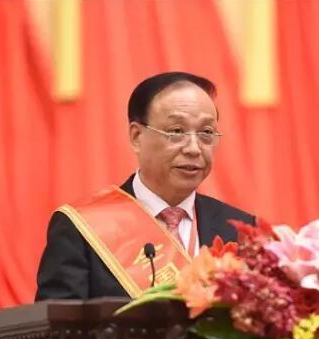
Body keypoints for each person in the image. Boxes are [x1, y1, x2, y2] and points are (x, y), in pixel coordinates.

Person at [36, 72, 255, 300]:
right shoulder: (81, 228)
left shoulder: (242, 230)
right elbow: (58, 320)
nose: (193, 148)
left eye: (206, 133)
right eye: (176, 131)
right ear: (137, 136)